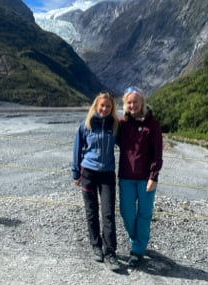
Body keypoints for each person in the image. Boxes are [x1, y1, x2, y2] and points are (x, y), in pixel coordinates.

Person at [72, 92, 121, 271]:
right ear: (96, 106)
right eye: (102, 105)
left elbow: (128, 146)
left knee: (108, 213)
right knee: (91, 211)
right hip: (88, 173)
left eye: (108, 106)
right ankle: (96, 246)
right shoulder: (86, 125)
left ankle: (110, 253)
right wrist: (75, 172)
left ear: (112, 108)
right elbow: (77, 148)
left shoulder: (115, 125)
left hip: (107, 174)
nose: (104, 109)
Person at [117, 86, 163, 268]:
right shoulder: (122, 124)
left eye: (135, 101)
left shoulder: (152, 124)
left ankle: (137, 250)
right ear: (125, 104)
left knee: (144, 214)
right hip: (126, 176)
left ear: (142, 102)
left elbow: (157, 153)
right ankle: (137, 240)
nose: (132, 105)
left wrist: (154, 175)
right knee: (126, 212)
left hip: (146, 178)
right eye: (129, 102)